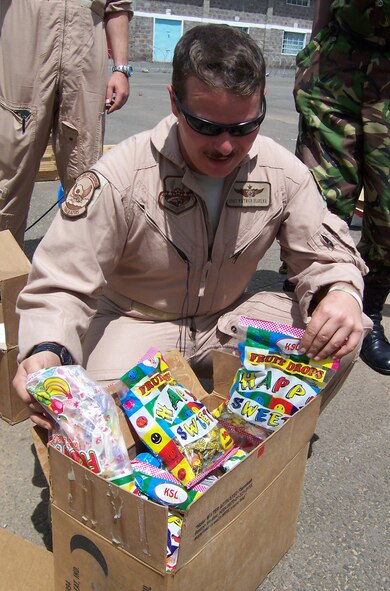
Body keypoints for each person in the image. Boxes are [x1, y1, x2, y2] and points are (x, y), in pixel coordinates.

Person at [13, 23, 372, 430]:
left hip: (226, 320)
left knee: (342, 336)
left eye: (243, 128)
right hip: (136, 323)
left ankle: (262, 438)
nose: (225, 146)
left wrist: (339, 292)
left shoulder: (282, 173)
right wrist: (46, 348)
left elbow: (325, 253)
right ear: (174, 102)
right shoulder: (122, 175)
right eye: (205, 126)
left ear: (262, 104)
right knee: (93, 426)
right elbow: (62, 281)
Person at [293, 0, 390, 375]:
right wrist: (313, 50)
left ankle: (367, 313)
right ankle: (313, 305)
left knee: (387, 220)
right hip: (337, 66)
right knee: (320, 205)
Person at [0, 0, 133, 248]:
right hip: (23, 48)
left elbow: (117, 7)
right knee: (9, 174)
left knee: (84, 175)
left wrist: (121, 69)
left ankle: (76, 274)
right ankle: (5, 273)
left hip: (85, 53)